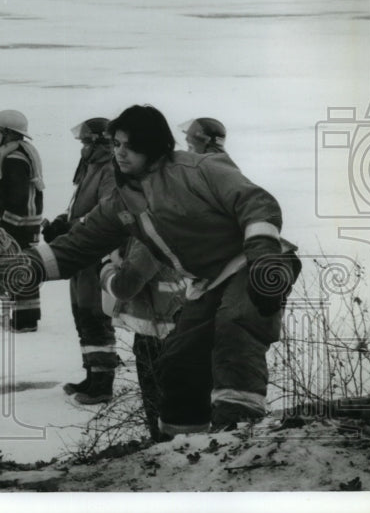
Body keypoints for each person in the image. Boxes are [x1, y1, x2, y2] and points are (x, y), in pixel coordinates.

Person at [30, 104, 300, 434]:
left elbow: (255, 202)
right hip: (208, 281)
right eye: (116, 144)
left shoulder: (199, 168)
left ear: (152, 143)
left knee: (235, 327)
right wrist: (25, 267)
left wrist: (262, 256)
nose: (120, 153)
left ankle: (237, 431)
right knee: (178, 360)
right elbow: (80, 244)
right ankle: (182, 449)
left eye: (129, 145)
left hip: (255, 262)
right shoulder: (123, 200)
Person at [42, 118, 120, 404]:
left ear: (100, 142)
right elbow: (82, 207)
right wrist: (64, 221)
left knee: (94, 315)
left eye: (87, 142)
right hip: (81, 252)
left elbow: (105, 212)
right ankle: (91, 374)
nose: (83, 147)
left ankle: (102, 384)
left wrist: (70, 227)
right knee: (81, 313)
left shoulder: (110, 169)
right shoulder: (92, 168)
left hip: (94, 252)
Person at [99, 238, 184, 441]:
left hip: (156, 329)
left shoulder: (150, 234)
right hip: (184, 319)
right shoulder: (189, 219)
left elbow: (124, 285)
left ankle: (164, 448)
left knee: (160, 406)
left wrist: (105, 268)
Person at [0, 109, 44, 332]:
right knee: (23, 266)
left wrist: (3, 218)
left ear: (8, 133)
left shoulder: (14, 158)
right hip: (27, 222)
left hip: (17, 222)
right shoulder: (23, 152)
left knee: (18, 267)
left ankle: (24, 321)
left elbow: (16, 196)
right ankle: (24, 318)